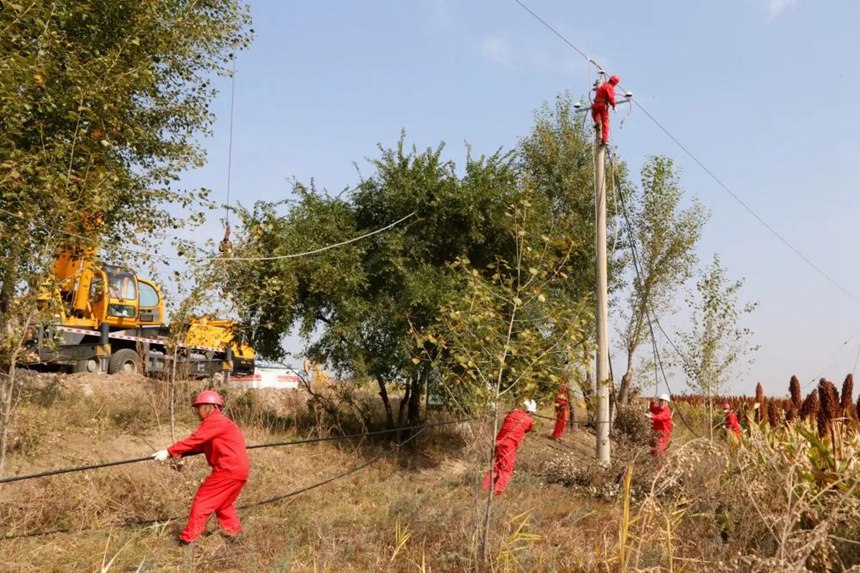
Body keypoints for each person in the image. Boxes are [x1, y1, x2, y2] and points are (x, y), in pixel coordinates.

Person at [153, 390, 250, 544]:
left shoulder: (214, 421)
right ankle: (235, 534)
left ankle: (188, 540)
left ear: (209, 407)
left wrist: (169, 451)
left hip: (227, 470)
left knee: (202, 501)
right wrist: (174, 454)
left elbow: (195, 440)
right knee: (224, 504)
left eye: (198, 407)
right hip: (240, 471)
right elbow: (199, 446)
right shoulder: (223, 422)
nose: (197, 412)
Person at [483, 399, 535, 496]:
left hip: (498, 442)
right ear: (531, 412)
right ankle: (497, 491)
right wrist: (528, 417)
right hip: (509, 444)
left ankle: (485, 487)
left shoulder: (511, 414)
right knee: (506, 469)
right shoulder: (529, 420)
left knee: (496, 466)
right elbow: (528, 429)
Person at [591, 74, 620, 145]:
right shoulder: (609, 87)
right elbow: (611, 98)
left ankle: (597, 122)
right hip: (602, 106)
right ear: (615, 83)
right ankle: (604, 140)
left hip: (595, 105)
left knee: (594, 114)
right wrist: (614, 105)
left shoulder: (602, 86)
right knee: (605, 122)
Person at [646, 393, 673, 460]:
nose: (662, 402)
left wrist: (651, 416)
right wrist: (652, 402)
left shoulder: (666, 411)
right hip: (656, 433)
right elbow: (652, 408)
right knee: (652, 450)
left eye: (664, 401)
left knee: (659, 451)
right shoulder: (658, 409)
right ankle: (652, 466)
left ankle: (660, 467)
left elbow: (660, 417)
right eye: (661, 400)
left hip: (664, 434)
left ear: (667, 403)